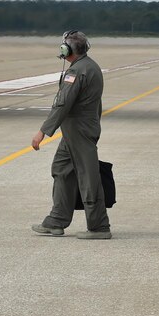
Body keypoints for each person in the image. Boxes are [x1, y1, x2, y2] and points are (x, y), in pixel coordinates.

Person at [31, 30, 111, 239]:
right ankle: (56, 220)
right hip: (77, 130)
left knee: (88, 176)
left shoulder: (77, 72)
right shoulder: (90, 66)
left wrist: (43, 132)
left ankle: (99, 226)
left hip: (79, 131)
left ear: (67, 50)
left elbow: (62, 104)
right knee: (62, 169)